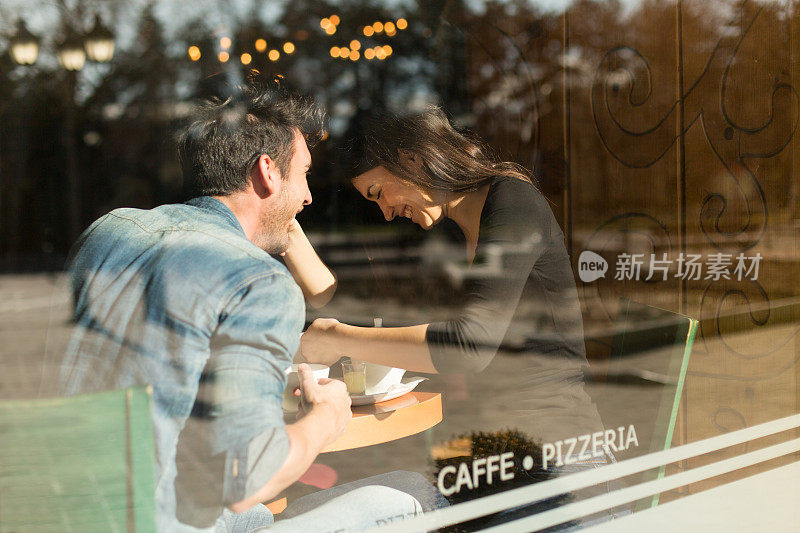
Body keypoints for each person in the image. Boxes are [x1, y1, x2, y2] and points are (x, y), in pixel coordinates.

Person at [55, 86, 445, 533]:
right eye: (303, 174)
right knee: (415, 490)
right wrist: (326, 418)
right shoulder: (258, 280)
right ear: (267, 172)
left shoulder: (109, 231)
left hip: (73, 514)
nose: (309, 197)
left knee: (270, 508)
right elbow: (245, 477)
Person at [300, 108, 612, 525]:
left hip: (560, 465)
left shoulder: (512, 201)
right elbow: (366, 311)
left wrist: (338, 338)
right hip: (488, 469)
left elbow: (468, 345)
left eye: (378, 192)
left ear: (410, 159)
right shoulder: (448, 226)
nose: (386, 212)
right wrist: (285, 230)